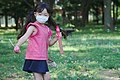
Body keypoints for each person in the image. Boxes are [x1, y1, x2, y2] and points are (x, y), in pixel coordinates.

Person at [14, 2, 60, 80]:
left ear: (48, 16)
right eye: (40, 14)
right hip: (35, 56)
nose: (42, 17)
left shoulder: (47, 29)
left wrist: (56, 38)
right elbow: (25, 37)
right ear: (35, 14)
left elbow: (49, 43)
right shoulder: (33, 27)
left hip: (43, 57)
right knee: (39, 78)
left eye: (45, 15)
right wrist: (17, 45)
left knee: (47, 78)